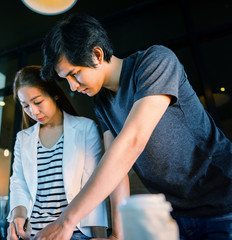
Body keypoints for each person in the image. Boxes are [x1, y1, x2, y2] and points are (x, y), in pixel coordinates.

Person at [35, 13, 232, 240]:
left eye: (75, 74)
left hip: (223, 202)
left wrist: (67, 219)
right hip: (176, 214)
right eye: (66, 79)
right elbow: (117, 168)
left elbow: (132, 142)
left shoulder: (154, 62)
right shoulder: (101, 102)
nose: (72, 86)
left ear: (97, 54)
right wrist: (119, 233)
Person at [6, 65, 108, 240]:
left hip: (73, 231)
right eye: (26, 106)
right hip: (34, 233)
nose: (33, 112)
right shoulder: (23, 138)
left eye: (37, 102)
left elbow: (94, 184)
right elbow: (18, 182)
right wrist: (17, 216)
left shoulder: (85, 128)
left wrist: (100, 236)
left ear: (54, 94)